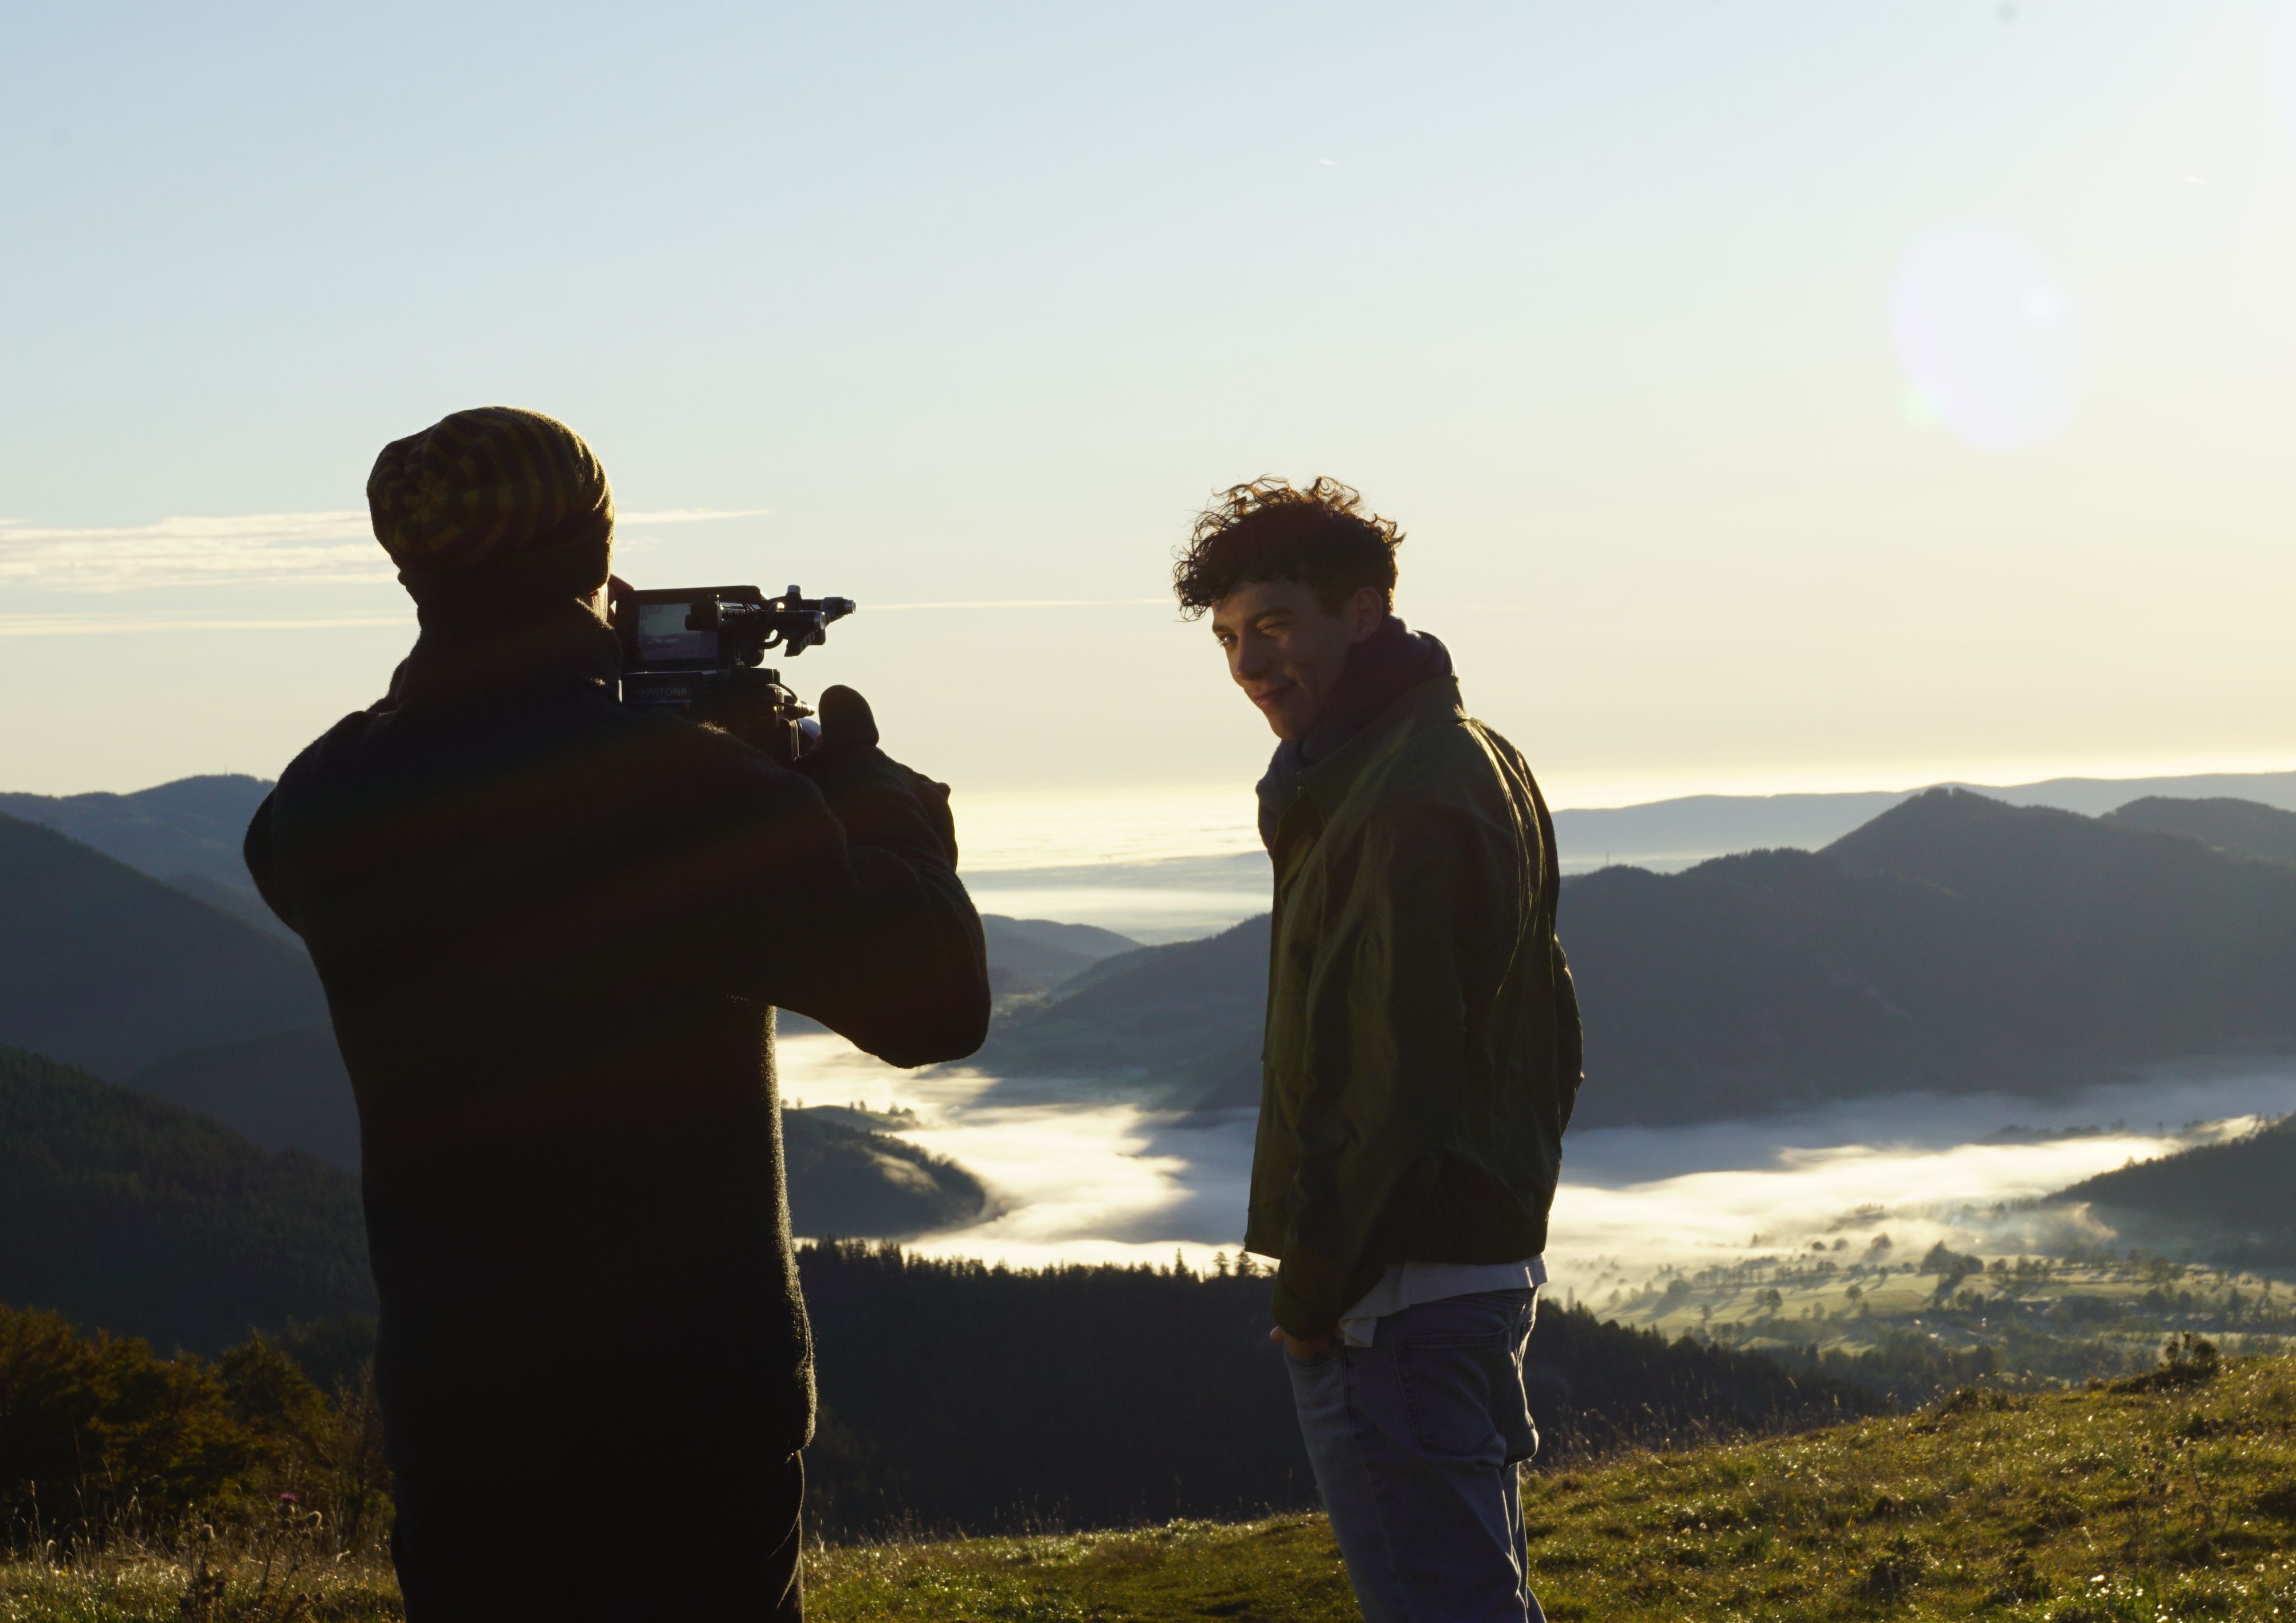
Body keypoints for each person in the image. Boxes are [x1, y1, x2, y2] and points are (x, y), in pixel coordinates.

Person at [246, 407, 990, 1620]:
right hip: (681, 1416)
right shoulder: (678, 787)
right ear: (598, 555)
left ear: (409, 570)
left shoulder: (322, 798)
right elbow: (936, 1004)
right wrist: (866, 795)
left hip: (458, 1414)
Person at [1175, 477, 1583, 1623]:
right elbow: (1545, 1026)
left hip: (1392, 1296)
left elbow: (1386, 1081)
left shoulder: (1400, 797)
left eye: (1274, 625)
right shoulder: (1448, 758)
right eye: (1228, 638)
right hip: (1460, 1265)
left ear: (1362, 613)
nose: (1249, 664)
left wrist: (1313, 1295)